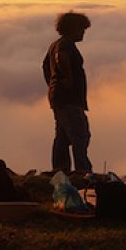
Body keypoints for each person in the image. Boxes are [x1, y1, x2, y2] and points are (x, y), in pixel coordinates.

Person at [42, 12, 93, 178]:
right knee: (80, 134)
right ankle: (82, 171)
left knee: (63, 136)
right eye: (81, 29)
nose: (83, 33)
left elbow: (45, 66)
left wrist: (52, 84)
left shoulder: (55, 44)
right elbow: (60, 59)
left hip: (58, 98)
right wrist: (67, 79)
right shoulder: (65, 46)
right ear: (73, 29)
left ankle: (61, 169)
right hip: (68, 99)